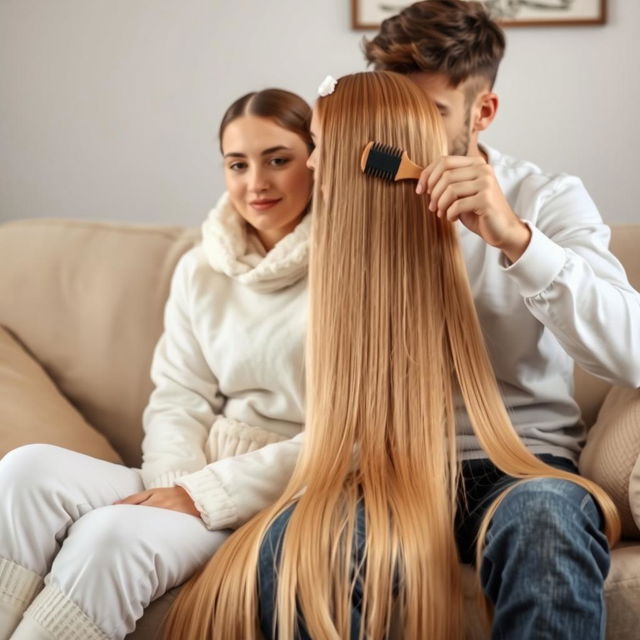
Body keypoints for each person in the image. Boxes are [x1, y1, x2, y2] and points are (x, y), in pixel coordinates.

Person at [163, 70, 622, 640]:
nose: (308, 168)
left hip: (519, 465)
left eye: (431, 110)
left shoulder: (543, 198)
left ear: (480, 111)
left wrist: (515, 240)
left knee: (548, 520)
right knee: (290, 553)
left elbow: (626, 352)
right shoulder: (331, 236)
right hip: (385, 470)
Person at [0, 87, 313, 640]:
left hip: (282, 499)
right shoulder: (202, 269)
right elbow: (178, 395)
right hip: (192, 478)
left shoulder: (359, 269)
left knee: (111, 536)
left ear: (316, 161)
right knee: (24, 470)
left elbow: (352, 435)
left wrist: (202, 496)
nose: (255, 183)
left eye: (278, 160)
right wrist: (174, 485)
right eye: (237, 163)